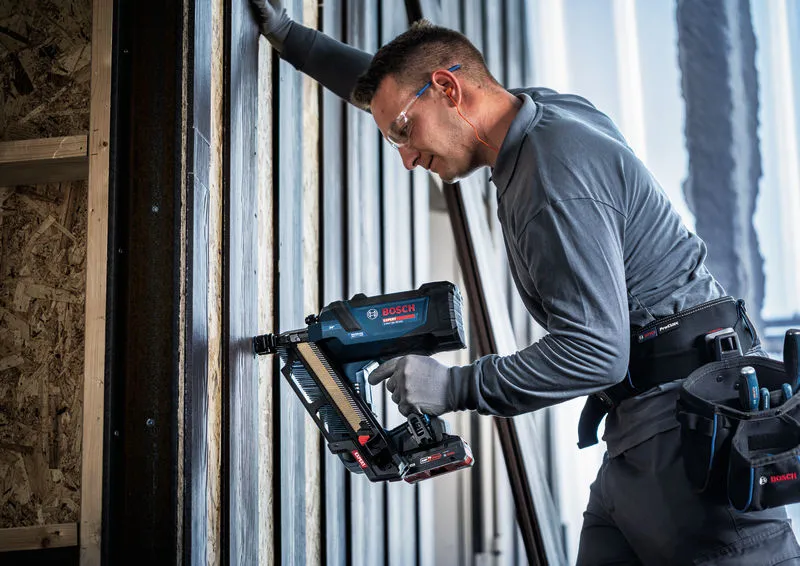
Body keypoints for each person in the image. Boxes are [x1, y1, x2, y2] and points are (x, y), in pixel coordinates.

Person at [251, 1, 800, 564]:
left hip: (691, 448)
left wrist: (455, 387)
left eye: (403, 134)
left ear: (448, 89)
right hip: (642, 434)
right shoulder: (535, 115)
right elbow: (399, 87)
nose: (408, 158)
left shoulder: (553, 181)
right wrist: (292, 38)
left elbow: (596, 353)